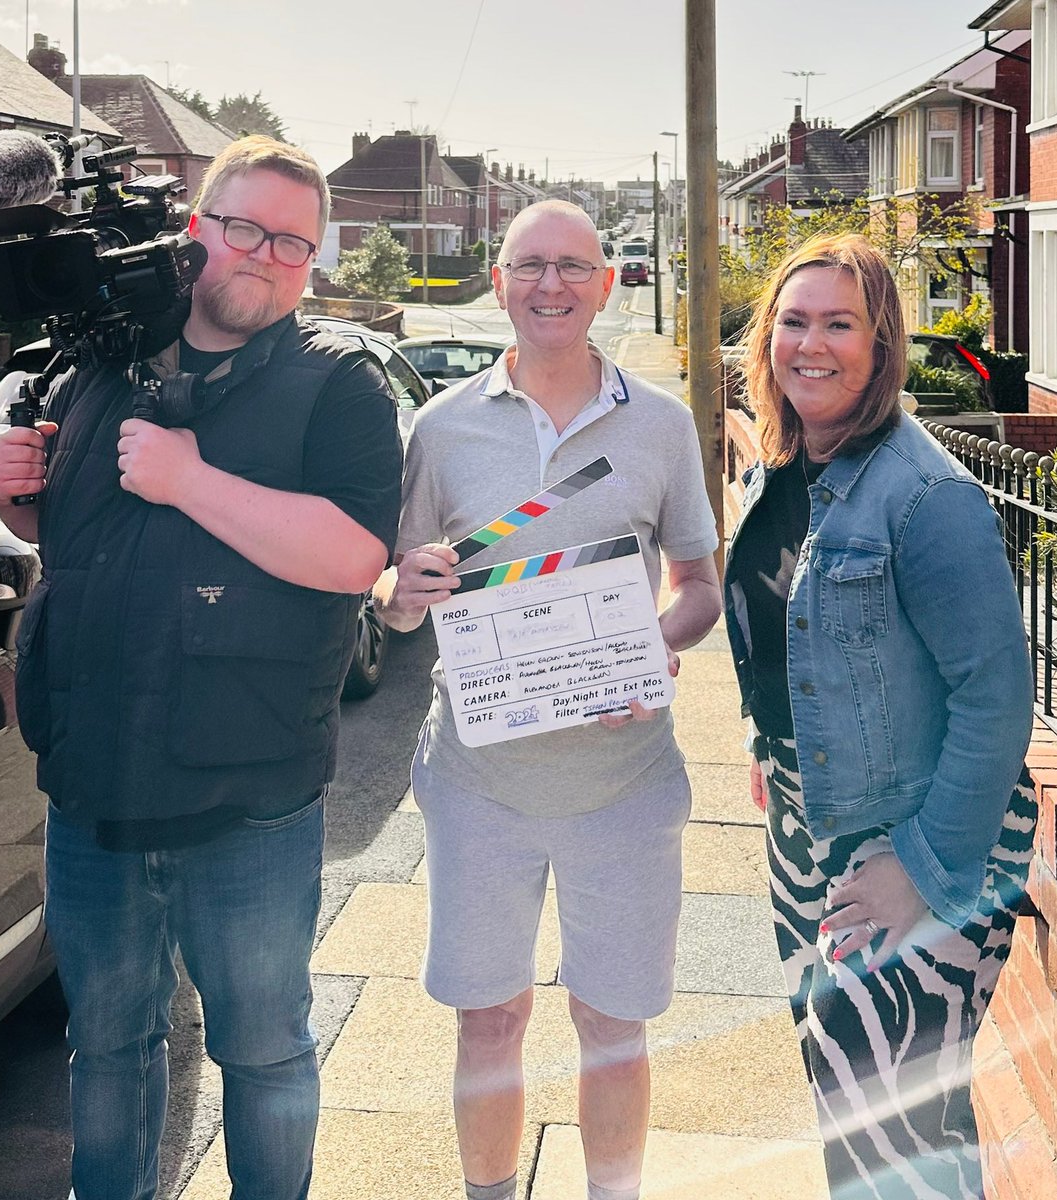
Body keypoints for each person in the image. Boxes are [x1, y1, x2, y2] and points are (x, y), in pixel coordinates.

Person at [0, 136, 403, 1200]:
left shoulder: (338, 384)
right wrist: (14, 494)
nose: (267, 255)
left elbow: (355, 557)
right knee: (105, 1045)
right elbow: (69, 542)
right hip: (93, 790)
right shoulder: (96, 361)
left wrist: (190, 480)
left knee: (262, 1051)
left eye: (294, 243)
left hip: (248, 801)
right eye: (245, 228)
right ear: (193, 228)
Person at [373, 199, 722, 1200]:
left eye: (573, 265)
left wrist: (655, 647)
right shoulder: (441, 428)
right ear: (499, 284)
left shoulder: (661, 425)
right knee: (489, 1019)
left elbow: (698, 587)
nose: (551, 284)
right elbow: (396, 597)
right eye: (529, 265)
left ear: (607, 285)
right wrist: (404, 590)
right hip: (478, 781)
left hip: (625, 781)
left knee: (612, 1025)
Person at [724, 232, 1037, 1199]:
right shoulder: (788, 464)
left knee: (893, 1131)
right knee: (856, 1107)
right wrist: (768, 742)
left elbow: (997, 699)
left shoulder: (925, 495)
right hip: (810, 827)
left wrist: (922, 869)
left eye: (840, 324)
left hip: (909, 834)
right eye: (794, 321)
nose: (811, 344)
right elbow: (788, 631)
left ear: (882, 343)